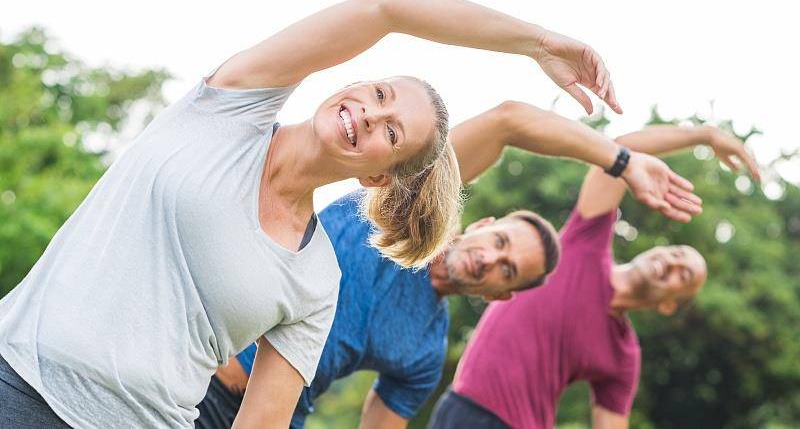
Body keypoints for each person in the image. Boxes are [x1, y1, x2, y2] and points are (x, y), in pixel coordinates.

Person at [0, 0, 670, 428]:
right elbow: (389, 9)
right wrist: (540, 45)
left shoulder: (333, 284)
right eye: (378, 93)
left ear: (383, 174)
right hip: (23, 375)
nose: (370, 114)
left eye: (390, 131)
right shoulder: (231, 106)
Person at [195, 100, 703, 429]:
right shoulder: (399, 210)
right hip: (196, 378)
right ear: (480, 224)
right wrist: (623, 161)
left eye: (507, 270)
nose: (492, 258)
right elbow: (508, 121)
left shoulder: (423, 351)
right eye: (500, 241)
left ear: (498, 296)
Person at [429, 123, 760, 429]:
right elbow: (620, 151)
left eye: (683, 274)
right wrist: (703, 135)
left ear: (669, 305)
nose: (671, 263)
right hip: (462, 407)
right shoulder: (586, 243)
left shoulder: (623, 354)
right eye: (675, 253)